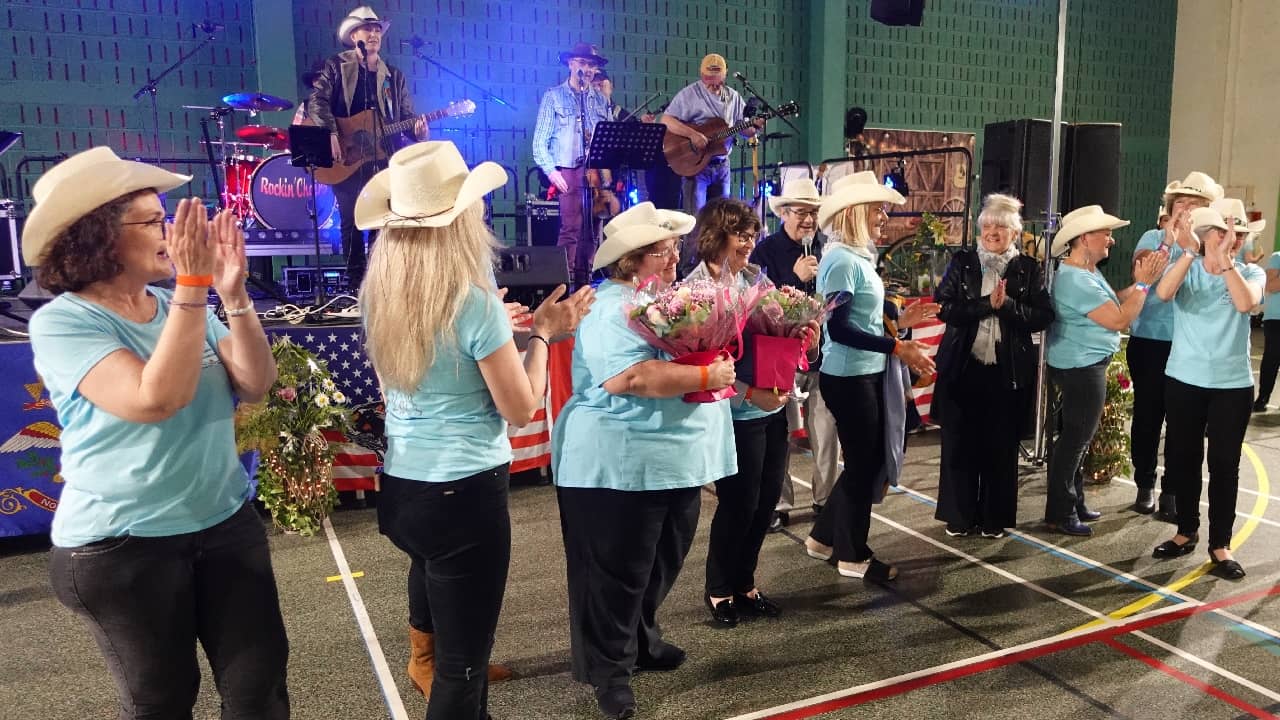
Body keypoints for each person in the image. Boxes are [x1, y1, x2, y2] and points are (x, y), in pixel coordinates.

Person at [26, 147, 287, 718]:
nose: (171, 230)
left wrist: (234, 294)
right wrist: (196, 287)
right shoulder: (65, 321)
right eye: (152, 220)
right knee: (163, 701)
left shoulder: (178, 304)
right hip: (122, 547)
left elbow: (255, 381)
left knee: (258, 693)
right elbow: (156, 398)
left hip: (222, 525)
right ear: (98, 237)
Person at [357, 141, 594, 717]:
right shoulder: (473, 302)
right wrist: (540, 335)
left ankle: (434, 665)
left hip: (405, 484)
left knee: (434, 584)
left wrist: (499, 333)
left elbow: (413, 378)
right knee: (462, 671)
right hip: (463, 492)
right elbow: (520, 407)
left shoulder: (383, 294)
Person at [552, 202, 736, 720]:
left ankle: (641, 639)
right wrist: (705, 378)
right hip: (618, 463)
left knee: (659, 562)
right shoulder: (613, 308)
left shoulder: (666, 300)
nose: (676, 255)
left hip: (672, 461)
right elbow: (628, 379)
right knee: (617, 573)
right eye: (664, 249)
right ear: (632, 260)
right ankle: (609, 672)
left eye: (675, 245)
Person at [685, 198, 814, 626]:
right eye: (739, 233)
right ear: (714, 237)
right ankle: (719, 588)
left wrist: (801, 336)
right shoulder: (696, 289)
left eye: (751, 234)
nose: (748, 242)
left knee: (765, 503)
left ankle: (745, 581)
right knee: (738, 503)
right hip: (733, 411)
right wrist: (747, 393)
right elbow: (699, 362)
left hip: (772, 404)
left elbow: (773, 333)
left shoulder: (756, 278)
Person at [804, 171, 937, 582]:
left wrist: (898, 318)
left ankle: (824, 537)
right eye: (877, 209)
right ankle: (852, 554)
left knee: (864, 463)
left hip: (864, 375)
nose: (883, 216)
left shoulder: (856, 257)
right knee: (864, 467)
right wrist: (898, 347)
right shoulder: (842, 260)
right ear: (854, 213)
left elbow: (864, 312)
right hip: (849, 379)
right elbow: (839, 328)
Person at [932, 194, 1054, 538]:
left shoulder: (1028, 269)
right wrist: (987, 305)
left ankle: (993, 519)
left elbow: (1044, 316)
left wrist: (1008, 306)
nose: (992, 231)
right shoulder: (964, 261)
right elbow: (944, 307)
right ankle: (959, 515)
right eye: (987, 225)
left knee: (1000, 448)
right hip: (963, 367)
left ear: (1014, 232)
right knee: (959, 445)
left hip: (1008, 372)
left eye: (1000, 226)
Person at [1151, 207, 1263, 580]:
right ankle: (1186, 531)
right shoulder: (1189, 268)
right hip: (1184, 379)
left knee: (1224, 465)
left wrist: (1228, 261)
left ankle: (1220, 544)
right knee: (1183, 459)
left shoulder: (1250, 272)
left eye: (1240, 235)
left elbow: (1247, 304)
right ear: (1206, 234)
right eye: (1225, 232)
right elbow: (1164, 293)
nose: (1233, 239)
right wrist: (1188, 252)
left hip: (1232, 385)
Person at [1045, 206, 1167, 536]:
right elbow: (1119, 319)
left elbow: (1113, 302)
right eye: (1106, 234)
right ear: (1084, 238)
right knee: (1075, 440)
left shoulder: (1085, 273)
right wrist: (1143, 287)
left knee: (1077, 439)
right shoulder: (1076, 278)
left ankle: (1074, 502)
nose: (1111, 241)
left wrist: (1143, 286)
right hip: (1081, 367)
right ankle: (1060, 511)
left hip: (1081, 364)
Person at [309, 6, 428, 291]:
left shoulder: (393, 77)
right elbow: (317, 102)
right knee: (351, 220)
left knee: (381, 220)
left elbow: (406, 118)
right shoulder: (336, 67)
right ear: (353, 35)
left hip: (382, 157)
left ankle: (379, 284)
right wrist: (331, 132)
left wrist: (418, 130)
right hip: (347, 157)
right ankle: (354, 285)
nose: (374, 34)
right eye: (367, 29)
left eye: (377, 30)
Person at [1126, 172, 1221, 519]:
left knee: (1185, 425)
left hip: (1191, 345)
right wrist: (1171, 242)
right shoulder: (1152, 236)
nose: (1186, 208)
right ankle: (1144, 483)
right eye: (1181, 202)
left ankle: (1173, 490)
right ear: (1169, 207)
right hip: (1150, 339)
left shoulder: (1212, 243)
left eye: (1195, 204)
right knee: (1148, 417)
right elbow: (1143, 270)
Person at [749, 178, 839, 527]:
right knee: (778, 431)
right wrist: (793, 275)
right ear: (783, 212)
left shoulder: (827, 247)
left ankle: (826, 499)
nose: (808, 220)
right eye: (801, 212)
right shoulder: (765, 251)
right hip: (780, 352)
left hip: (821, 350)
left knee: (826, 427)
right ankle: (777, 503)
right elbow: (759, 302)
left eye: (813, 213)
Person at [531, 42, 612, 286]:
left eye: (592, 65)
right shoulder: (553, 96)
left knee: (593, 228)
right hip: (568, 169)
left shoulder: (599, 99)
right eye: (583, 63)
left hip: (594, 171)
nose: (587, 69)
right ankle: (563, 286)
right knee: (571, 229)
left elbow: (606, 137)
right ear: (571, 63)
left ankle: (585, 284)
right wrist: (553, 173)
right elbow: (539, 143)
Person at [660, 53, 762, 216]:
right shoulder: (689, 94)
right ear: (701, 75)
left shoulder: (733, 97)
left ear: (725, 75)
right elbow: (666, 120)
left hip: (722, 165)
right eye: (709, 80)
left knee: (721, 220)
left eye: (719, 80)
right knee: (696, 220)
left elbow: (743, 130)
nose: (714, 84)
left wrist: (754, 127)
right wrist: (693, 134)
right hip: (697, 166)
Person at [1254, 243, 1280, 413]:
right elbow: (1270, 286)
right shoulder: (1277, 257)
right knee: (1272, 358)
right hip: (1276, 318)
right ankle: (1263, 397)